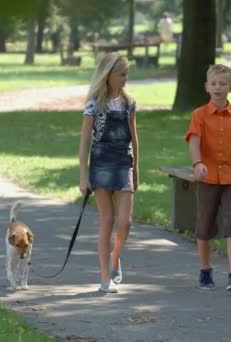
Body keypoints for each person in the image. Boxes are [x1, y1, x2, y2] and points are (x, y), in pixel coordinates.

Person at [185, 64, 231, 292]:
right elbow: (194, 141)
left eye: (223, 84)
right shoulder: (199, 115)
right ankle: (205, 270)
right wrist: (198, 164)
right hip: (207, 180)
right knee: (204, 225)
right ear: (207, 87)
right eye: (214, 84)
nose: (218, 87)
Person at [78, 53, 139, 293]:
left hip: (124, 163)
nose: (125, 79)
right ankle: (105, 277)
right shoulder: (94, 104)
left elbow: (134, 138)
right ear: (108, 75)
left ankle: (115, 258)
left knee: (125, 222)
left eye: (126, 74)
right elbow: (84, 142)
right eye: (121, 74)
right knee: (107, 220)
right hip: (101, 165)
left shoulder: (129, 103)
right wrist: (84, 176)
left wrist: (136, 169)